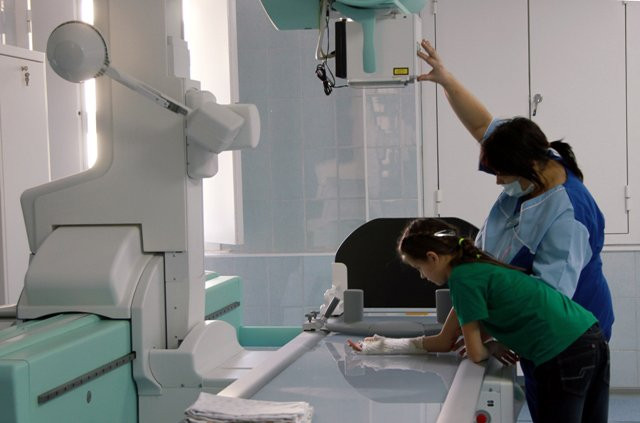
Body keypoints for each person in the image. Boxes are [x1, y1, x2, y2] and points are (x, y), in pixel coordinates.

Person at [415, 39, 614, 421]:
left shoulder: (567, 218)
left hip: (566, 336)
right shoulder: (533, 153)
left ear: (527, 166)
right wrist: (446, 80)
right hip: (557, 334)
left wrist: (487, 336)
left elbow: (547, 300)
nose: (497, 182)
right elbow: (481, 125)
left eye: (502, 174)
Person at [348, 218, 610, 423]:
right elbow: (444, 341)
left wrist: (492, 346)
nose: (422, 277)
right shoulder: (475, 268)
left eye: (419, 268)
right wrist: (382, 346)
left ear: (432, 258)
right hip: (590, 336)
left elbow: (475, 353)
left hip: (564, 351)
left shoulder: (462, 281)